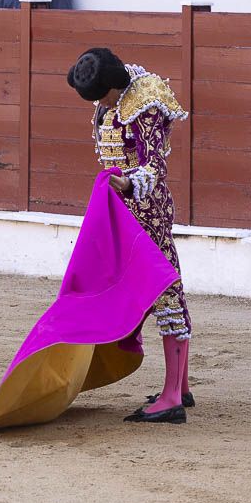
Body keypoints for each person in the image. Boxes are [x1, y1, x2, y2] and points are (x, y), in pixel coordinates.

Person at [66, 48, 193, 424]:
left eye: (101, 97)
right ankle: (181, 387)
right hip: (121, 212)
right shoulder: (112, 95)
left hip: (148, 209)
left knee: (165, 293)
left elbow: (155, 166)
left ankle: (172, 398)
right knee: (148, 288)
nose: (100, 105)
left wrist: (126, 183)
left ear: (113, 87)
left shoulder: (146, 103)